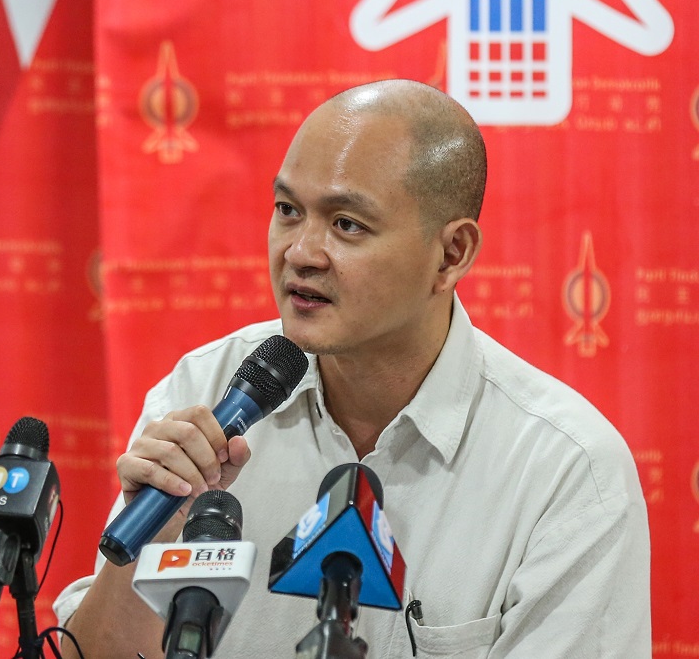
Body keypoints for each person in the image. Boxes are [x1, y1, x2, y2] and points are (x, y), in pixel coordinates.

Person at [54, 79, 650, 658]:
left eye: (346, 225)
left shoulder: (565, 470)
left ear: (451, 254)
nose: (300, 253)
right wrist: (153, 534)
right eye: (288, 210)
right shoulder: (205, 392)